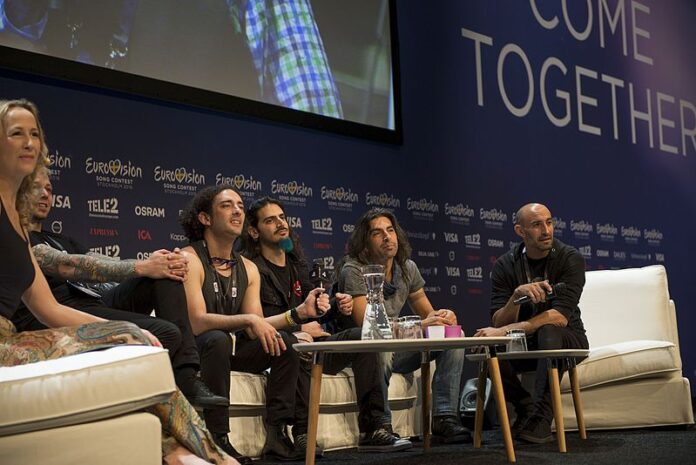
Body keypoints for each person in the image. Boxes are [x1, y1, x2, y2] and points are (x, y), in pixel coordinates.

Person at [0, 98, 236, 465]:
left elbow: (48, 307)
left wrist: (124, 329)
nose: (29, 142)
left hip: (39, 326)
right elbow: (68, 267)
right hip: (6, 342)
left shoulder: (16, 220)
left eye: (35, 134)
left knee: (139, 339)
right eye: (16, 134)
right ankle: (205, 456)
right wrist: (140, 271)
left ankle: (194, 455)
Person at [11, 165, 227, 410]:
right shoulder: (19, 239)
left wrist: (158, 263)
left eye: (49, 189)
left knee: (165, 274)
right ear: (17, 191)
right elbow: (69, 265)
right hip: (61, 313)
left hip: (94, 302)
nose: (44, 194)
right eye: (36, 188)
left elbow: (103, 263)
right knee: (166, 332)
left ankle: (188, 379)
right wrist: (141, 266)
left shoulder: (62, 238)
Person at [242, 197, 412, 452]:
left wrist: (335, 306)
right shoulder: (251, 269)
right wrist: (298, 329)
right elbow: (256, 324)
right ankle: (301, 433)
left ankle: (374, 427)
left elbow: (315, 313)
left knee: (364, 336)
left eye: (282, 217)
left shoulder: (295, 264)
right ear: (254, 232)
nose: (280, 223)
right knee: (296, 345)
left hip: (315, 342)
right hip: (276, 345)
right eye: (270, 220)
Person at [179, 185, 328, 461]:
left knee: (287, 343)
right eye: (226, 205)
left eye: (239, 205)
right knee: (217, 339)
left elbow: (256, 326)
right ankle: (218, 437)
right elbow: (197, 323)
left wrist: (296, 315)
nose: (237, 210)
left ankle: (277, 431)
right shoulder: (190, 258)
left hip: (232, 350)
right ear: (204, 219)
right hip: (197, 350)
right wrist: (249, 319)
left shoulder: (247, 268)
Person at [337, 208, 470, 444]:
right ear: (365, 243)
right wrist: (420, 325)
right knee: (381, 346)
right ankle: (382, 426)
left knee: (453, 337)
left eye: (390, 230)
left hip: (398, 349)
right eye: (378, 233)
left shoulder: (407, 268)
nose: (387, 237)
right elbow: (367, 324)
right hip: (365, 351)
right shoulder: (354, 270)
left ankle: (444, 416)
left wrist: (442, 317)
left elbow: (425, 310)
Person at [474, 203, 589, 444]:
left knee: (549, 330)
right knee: (485, 346)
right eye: (537, 225)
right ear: (520, 231)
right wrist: (515, 298)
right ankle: (525, 407)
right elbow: (498, 320)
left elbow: (559, 316)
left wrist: (505, 330)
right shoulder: (506, 264)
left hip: (567, 338)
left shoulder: (570, 258)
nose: (546, 230)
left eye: (549, 222)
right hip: (526, 341)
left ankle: (542, 416)